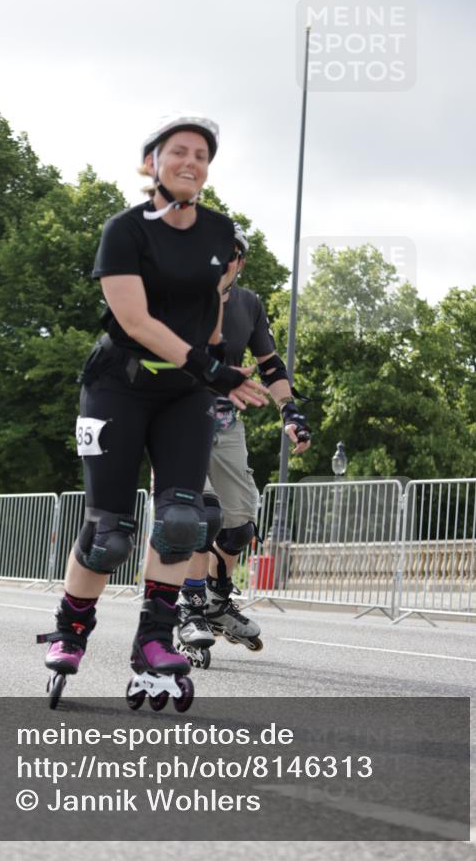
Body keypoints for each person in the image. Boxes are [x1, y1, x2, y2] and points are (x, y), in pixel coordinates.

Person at [37, 116, 270, 710]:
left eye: (202, 155)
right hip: (119, 384)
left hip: (187, 393)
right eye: (178, 151)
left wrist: (219, 368)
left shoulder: (218, 232)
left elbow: (211, 314)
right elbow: (136, 321)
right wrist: (211, 367)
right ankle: (71, 630)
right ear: (152, 163)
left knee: (182, 522)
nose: (191, 161)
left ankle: (154, 640)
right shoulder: (124, 231)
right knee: (108, 533)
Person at [176, 224, 311, 667]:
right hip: (176, 421)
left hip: (226, 423)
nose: (224, 262)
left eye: (232, 254)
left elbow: (270, 365)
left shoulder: (249, 304)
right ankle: (190, 606)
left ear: (240, 261)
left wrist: (290, 413)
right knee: (201, 517)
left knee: (238, 527)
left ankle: (217, 599)